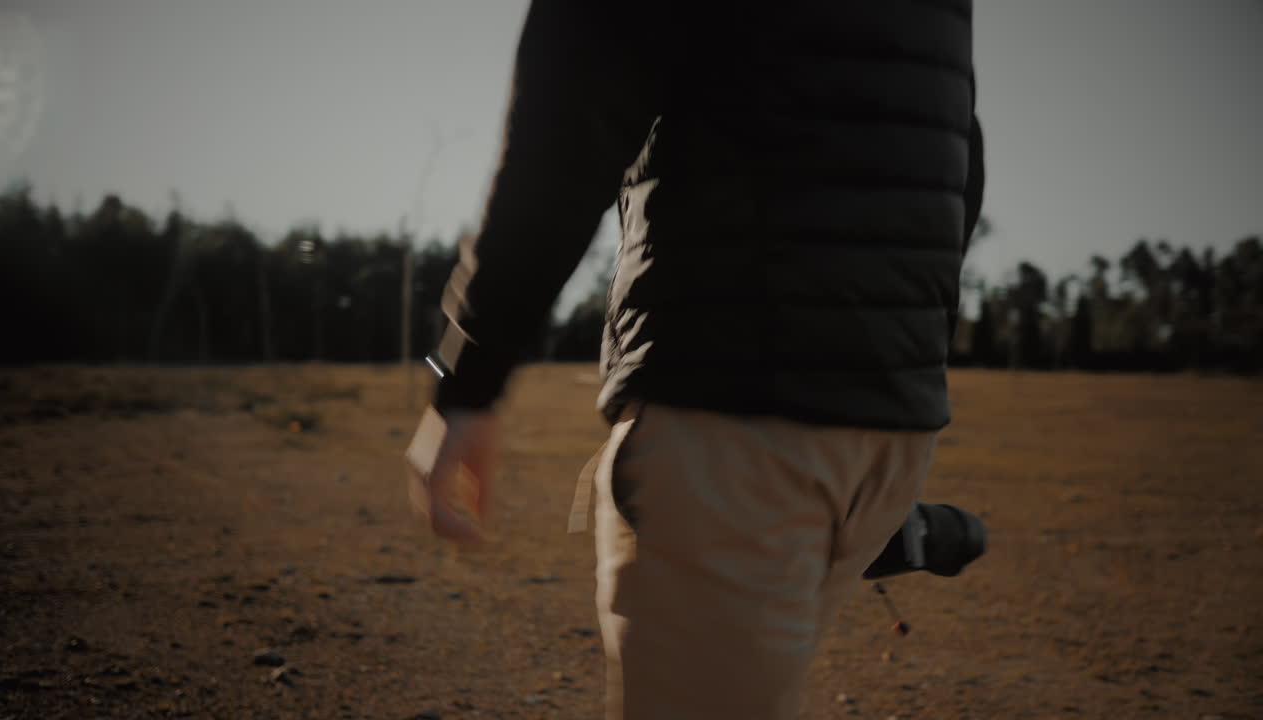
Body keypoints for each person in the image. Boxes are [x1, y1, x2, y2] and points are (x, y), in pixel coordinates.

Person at [416, 1, 985, 717]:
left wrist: (466, 374)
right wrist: (896, 352)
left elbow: (572, 113)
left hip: (732, 420)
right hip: (890, 427)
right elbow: (954, 143)